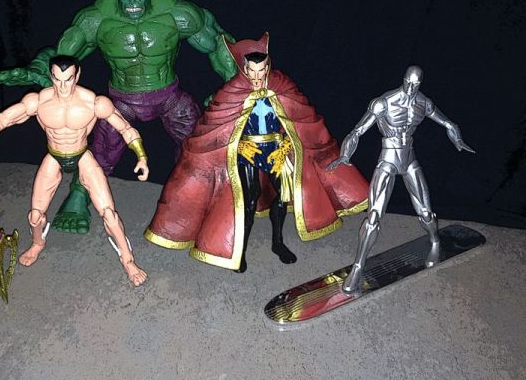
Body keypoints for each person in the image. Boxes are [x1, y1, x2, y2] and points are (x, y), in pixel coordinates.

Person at [0, 0, 237, 234]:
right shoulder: (97, 18)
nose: (133, 4)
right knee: (102, 148)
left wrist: (232, 84)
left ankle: (198, 195)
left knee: (199, 142)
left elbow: (219, 43)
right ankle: (79, 195)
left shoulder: (177, 12)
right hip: (122, 98)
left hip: (168, 95)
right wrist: (36, 69)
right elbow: (62, 55)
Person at [145, 32, 369, 272]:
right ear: (244, 69)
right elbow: (219, 128)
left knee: (282, 196)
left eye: (261, 70)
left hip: (275, 150)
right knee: (248, 200)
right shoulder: (232, 92)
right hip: (247, 152)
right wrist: (240, 146)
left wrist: (285, 144)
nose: (256, 76)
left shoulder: (282, 86)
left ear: (267, 67)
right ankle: (238, 251)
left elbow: (298, 119)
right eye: (251, 71)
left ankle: (278, 243)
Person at [0, 55, 149, 286]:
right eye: (57, 79)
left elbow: (126, 129)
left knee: (109, 215)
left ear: (77, 76)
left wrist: (141, 156)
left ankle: (128, 260)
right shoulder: (39, 101)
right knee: (35, 216)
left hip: (82, 155)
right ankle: (37, 243)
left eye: (68, 79)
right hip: (54, 157)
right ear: (51, 76)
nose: (63, 86)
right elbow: (1, 123)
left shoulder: (94, 103)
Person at [327, 65, 475, 293]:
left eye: (416, 84)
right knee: (373, 216)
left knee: (425, 212)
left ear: (420, 83)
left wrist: (458, 140)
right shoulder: (384, 102)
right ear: (403, 79)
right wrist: (345, 156)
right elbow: (357, 131)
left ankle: (435, 241)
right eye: (408, 81)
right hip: (387, 160)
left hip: (410, 159)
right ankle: (358, 267)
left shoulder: (423, 103)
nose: (411, 87)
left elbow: (448, 123)